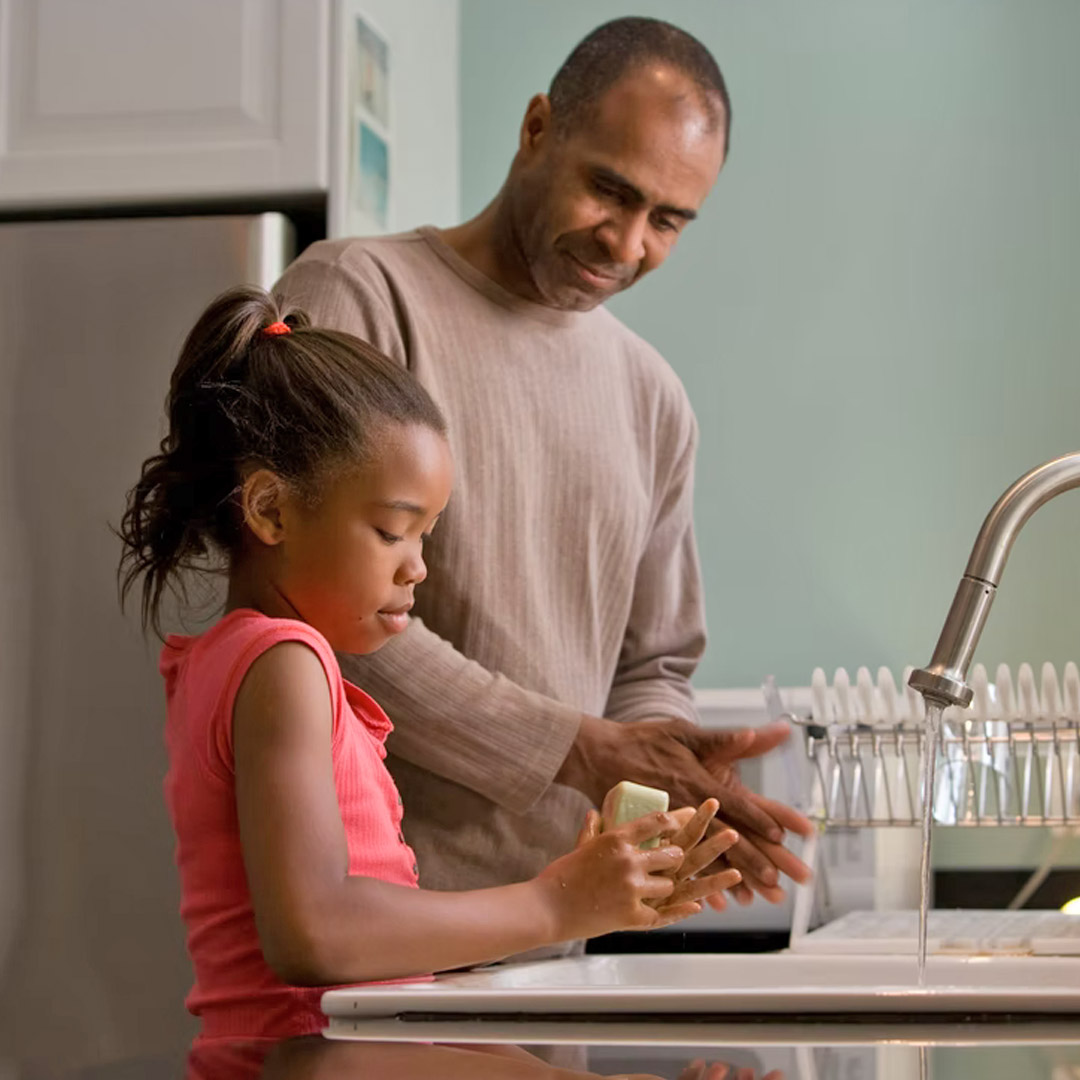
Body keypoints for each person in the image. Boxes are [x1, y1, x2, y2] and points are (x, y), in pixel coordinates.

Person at [272, 16, 811, 915]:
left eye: (668, 220)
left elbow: (652, 662)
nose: (627, 243)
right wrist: (582, 749)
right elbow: (311, 610)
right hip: (365, 924)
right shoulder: (359, 296)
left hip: (558, 930)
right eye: (610, 189)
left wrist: (663, 763)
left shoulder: (653, 398)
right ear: (536, 131)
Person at [118, 285, 739, 1041]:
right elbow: (315, 932)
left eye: (426, 537)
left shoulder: (233, 659)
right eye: (392, 532)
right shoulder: (284, 663)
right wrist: (555, 904)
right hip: (310, 1058)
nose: (418, 569)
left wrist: (587, 891)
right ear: (272, 511)